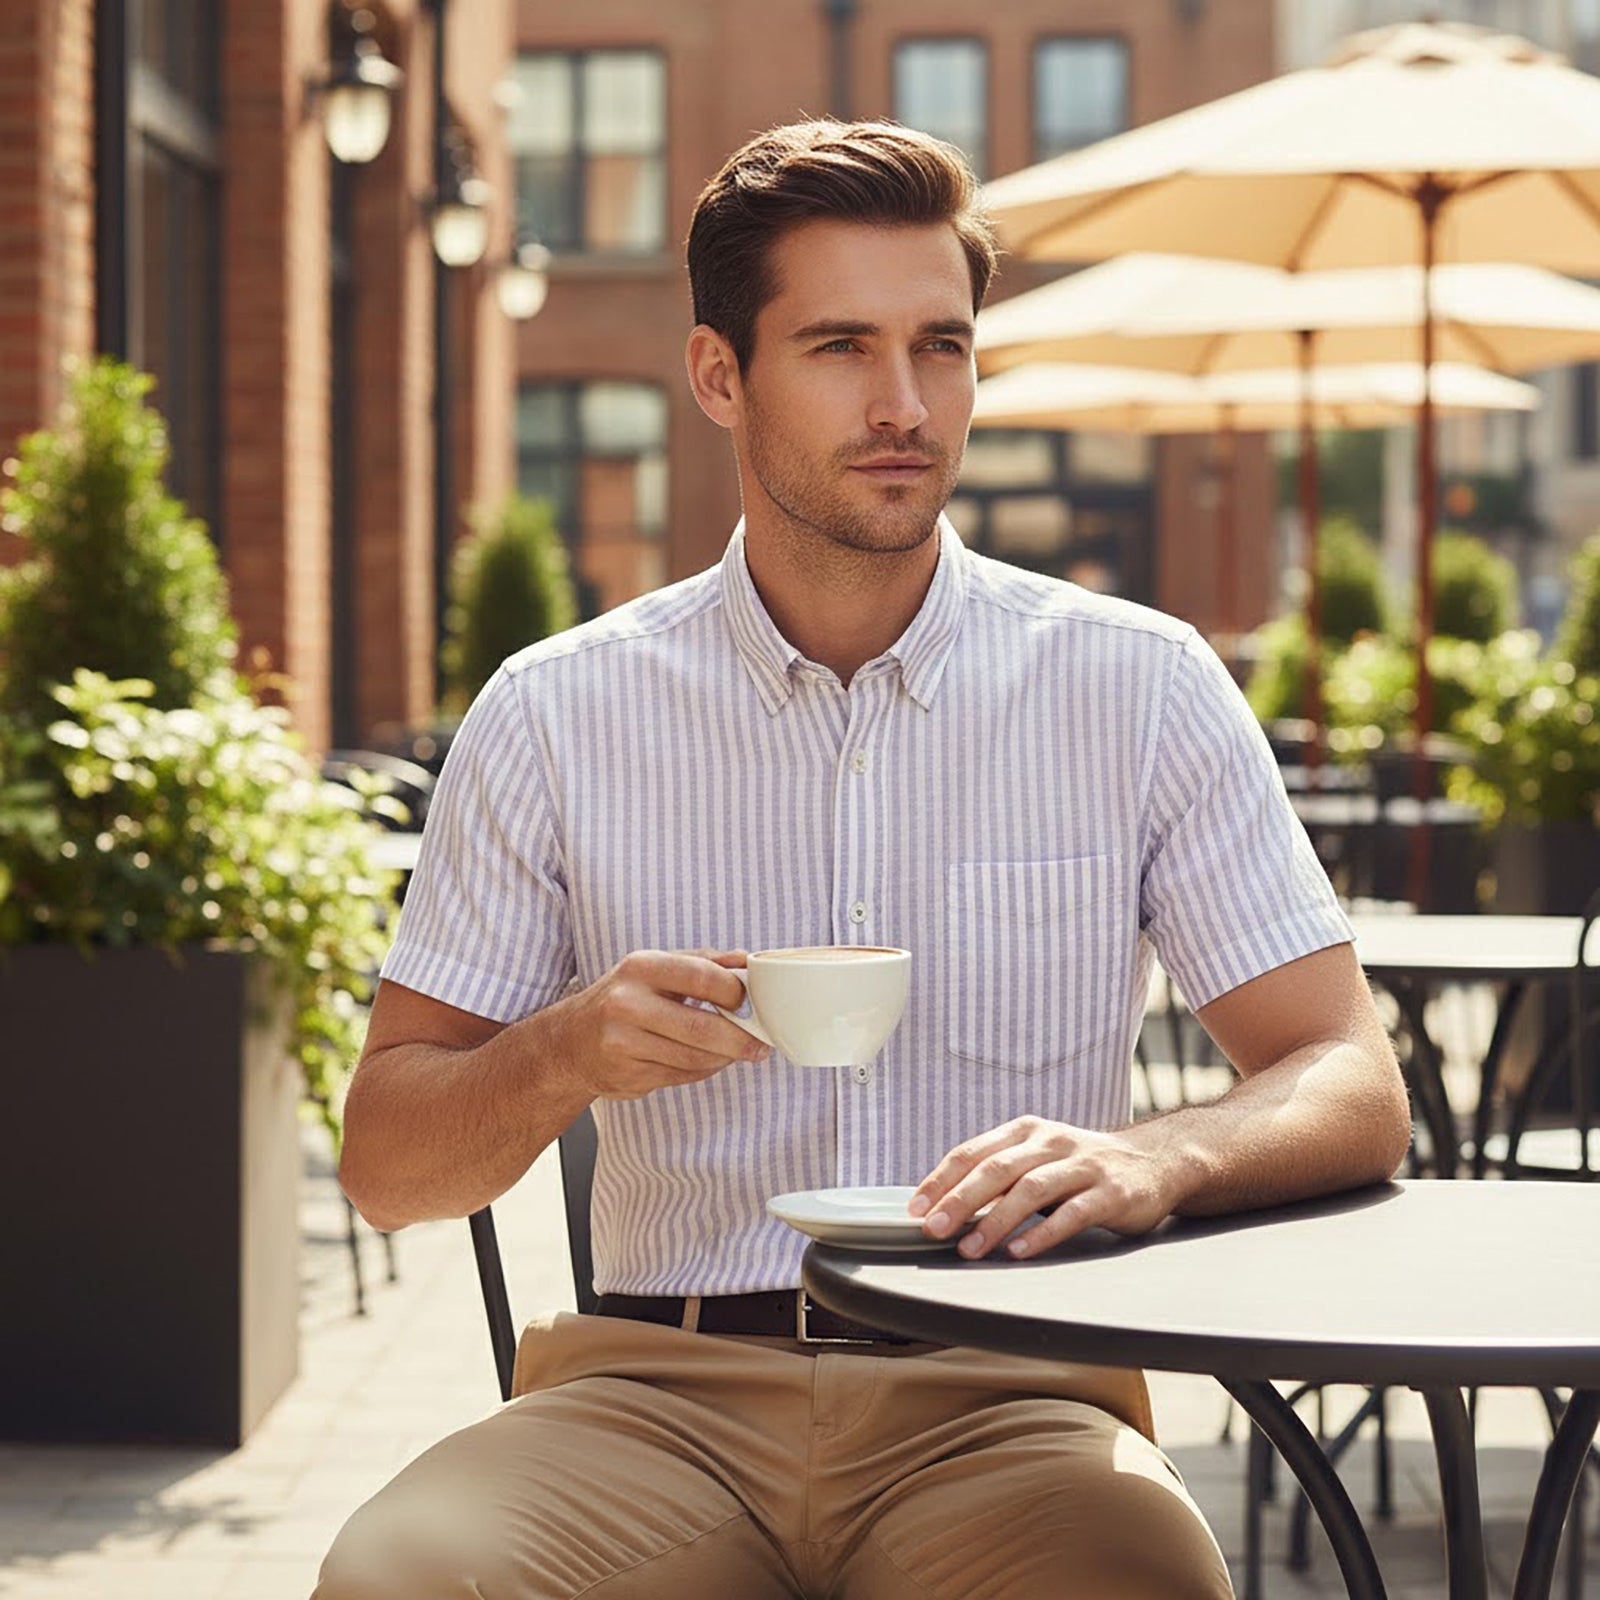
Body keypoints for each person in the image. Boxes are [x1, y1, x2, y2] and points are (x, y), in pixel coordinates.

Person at [318, 119, 1411, 1600]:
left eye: (941, 348)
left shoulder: (1139, 685)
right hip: (657, 1395)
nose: (906, 404)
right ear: (721, 376)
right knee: (402, 1575)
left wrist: (1157, 1158)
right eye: (840, 346)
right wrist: (564, 1051)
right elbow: (386, 1162)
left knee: (1140, 1580)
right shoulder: (556, 711)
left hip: (1013, 1396)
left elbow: (1349, 1074)